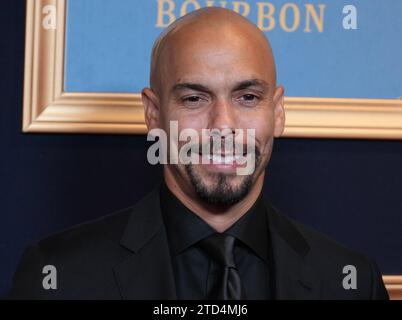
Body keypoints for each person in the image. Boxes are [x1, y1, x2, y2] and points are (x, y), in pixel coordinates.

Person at [8, 7, 388, 300]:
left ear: (277, 112)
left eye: (248, 98)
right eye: (194, 98)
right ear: (153, 114)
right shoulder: (58, 276)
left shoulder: (350, 279)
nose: (223, 125)